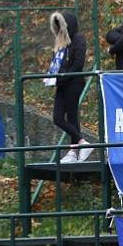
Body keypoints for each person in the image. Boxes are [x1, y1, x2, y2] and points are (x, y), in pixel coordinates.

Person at [47, 11, 92, 164]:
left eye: (62, 26)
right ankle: (78, 146)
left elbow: (78, 64)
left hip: (73, 83)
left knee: (71, 116)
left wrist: (64, 75)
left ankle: (77, 147)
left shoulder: (78, 38)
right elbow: (56, 62)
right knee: (58, 118)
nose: (60, 29)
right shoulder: (60, 41)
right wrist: (52, 76)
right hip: (61, 83)